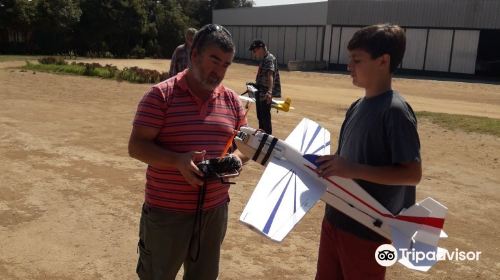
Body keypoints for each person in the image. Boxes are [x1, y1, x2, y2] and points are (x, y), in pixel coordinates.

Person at [129, 24, 248, 280]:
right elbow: (137, 146)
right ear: (194, 55)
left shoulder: (232, 102)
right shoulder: (161, 96)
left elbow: (244, 146)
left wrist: (235, 161)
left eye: (226, 64)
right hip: (167, 212)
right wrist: (177, 161)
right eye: (214, 60)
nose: (219, 71)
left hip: (213, 213)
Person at [314, 24, 421, 280]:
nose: (349, 66)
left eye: (356, 60)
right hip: (335, 220)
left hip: (368, 231)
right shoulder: (357, 106)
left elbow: (412, 174)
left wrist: (352, 169)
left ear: (383, 61)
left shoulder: (396, 111)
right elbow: (344, 162)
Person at [248, 39, 281, 134]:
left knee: (265, 117)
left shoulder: (269, 59)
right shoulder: (264, 59)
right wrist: (255, 85)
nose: (254, 54)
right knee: (260, 116)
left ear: (261, 48)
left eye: (255, 51)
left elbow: (270, 75)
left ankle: (267, 137)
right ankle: (262, 135)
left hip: (265, 94)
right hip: (260, 91)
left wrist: (270, 92)